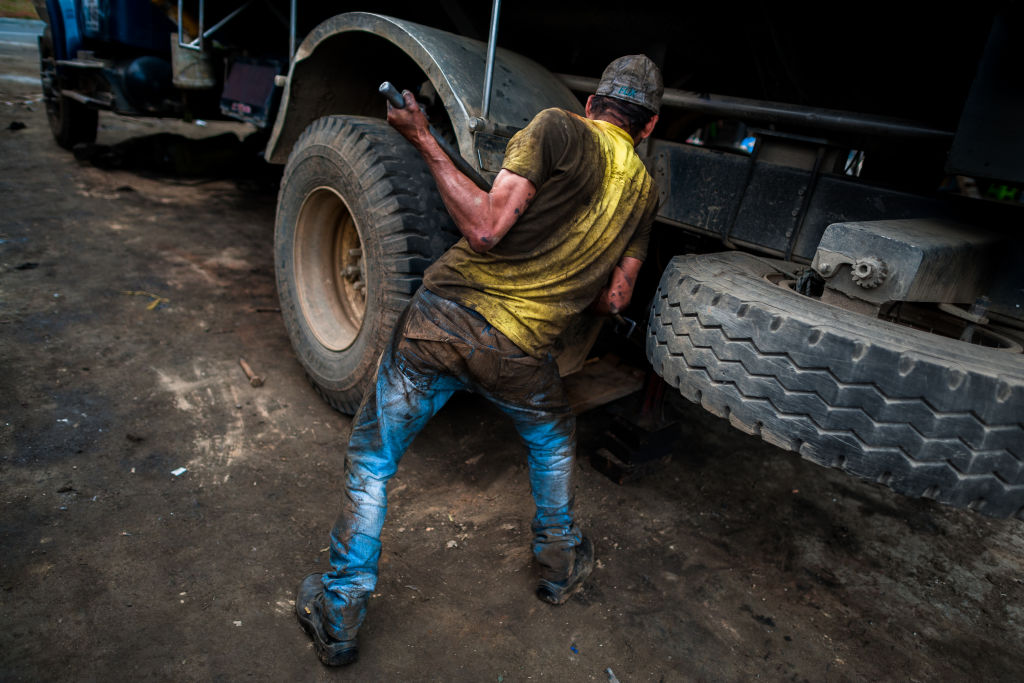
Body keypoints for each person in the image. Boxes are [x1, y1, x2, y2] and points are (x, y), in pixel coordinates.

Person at [295, 54, 664, 667]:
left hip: (441, 323)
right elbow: (615, 299)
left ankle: (339, 614)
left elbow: (487, 231)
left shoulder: (557, 127)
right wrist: (565, 277)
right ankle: (559, 567)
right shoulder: (644, 195)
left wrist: (420, 136)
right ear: (648, 128)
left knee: (373, 460)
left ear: (593, 103)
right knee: (551, 442)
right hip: (520, 352)